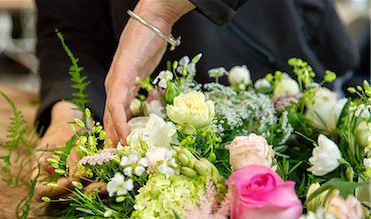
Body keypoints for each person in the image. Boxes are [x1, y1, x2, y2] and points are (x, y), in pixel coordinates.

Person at [34, 0, 358, 199]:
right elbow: (70, 27)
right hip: (161, 118)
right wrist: (70, 111)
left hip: (293, 81)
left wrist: (159, 10)